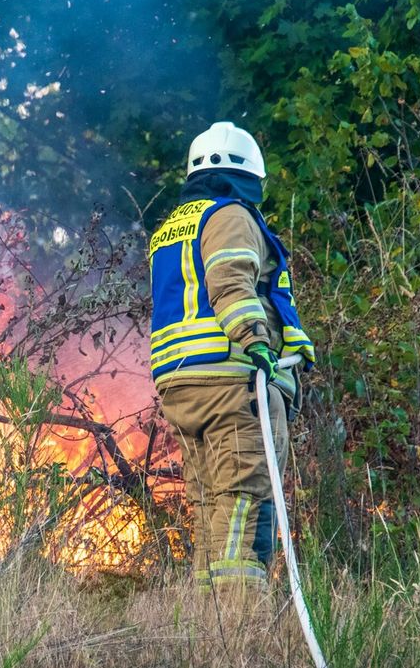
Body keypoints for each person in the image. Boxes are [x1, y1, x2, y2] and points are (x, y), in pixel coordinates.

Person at [149, 121, 316, 597]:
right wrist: (256, 340)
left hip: (182, 385)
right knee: (246, 497)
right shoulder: (230, 215)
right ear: (251, 176)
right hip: (233, 378)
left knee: (208, 505)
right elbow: (230, 282)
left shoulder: (172, 228)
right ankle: (242, 619)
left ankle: (209, 624)